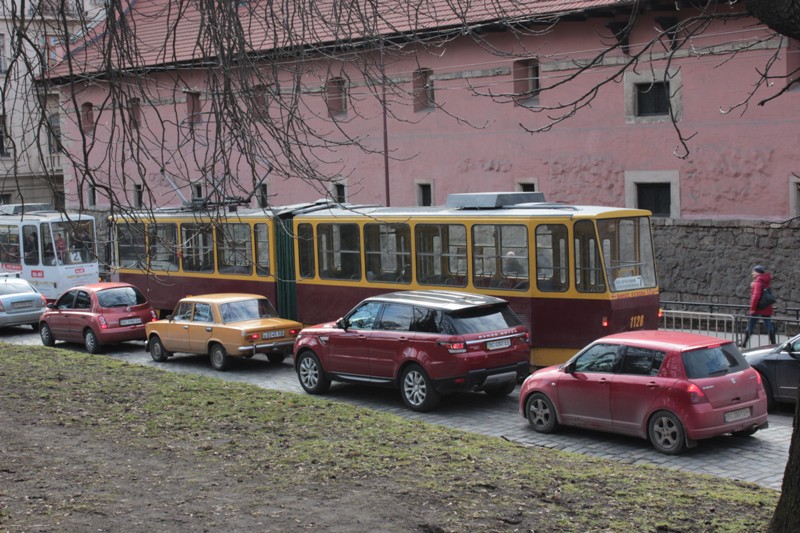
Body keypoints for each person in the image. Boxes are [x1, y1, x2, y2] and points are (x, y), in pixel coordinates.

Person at [741, 265, 776, 347]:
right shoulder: (765, 281)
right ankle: (774, 343)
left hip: (757, 308)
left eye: (754, 271)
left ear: (758, 272)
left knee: (750, 325)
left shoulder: (758, 282)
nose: (752, 273)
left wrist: (752, 309)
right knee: (769, 325)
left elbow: (756, 296)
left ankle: (744, 343)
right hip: (766, 307)